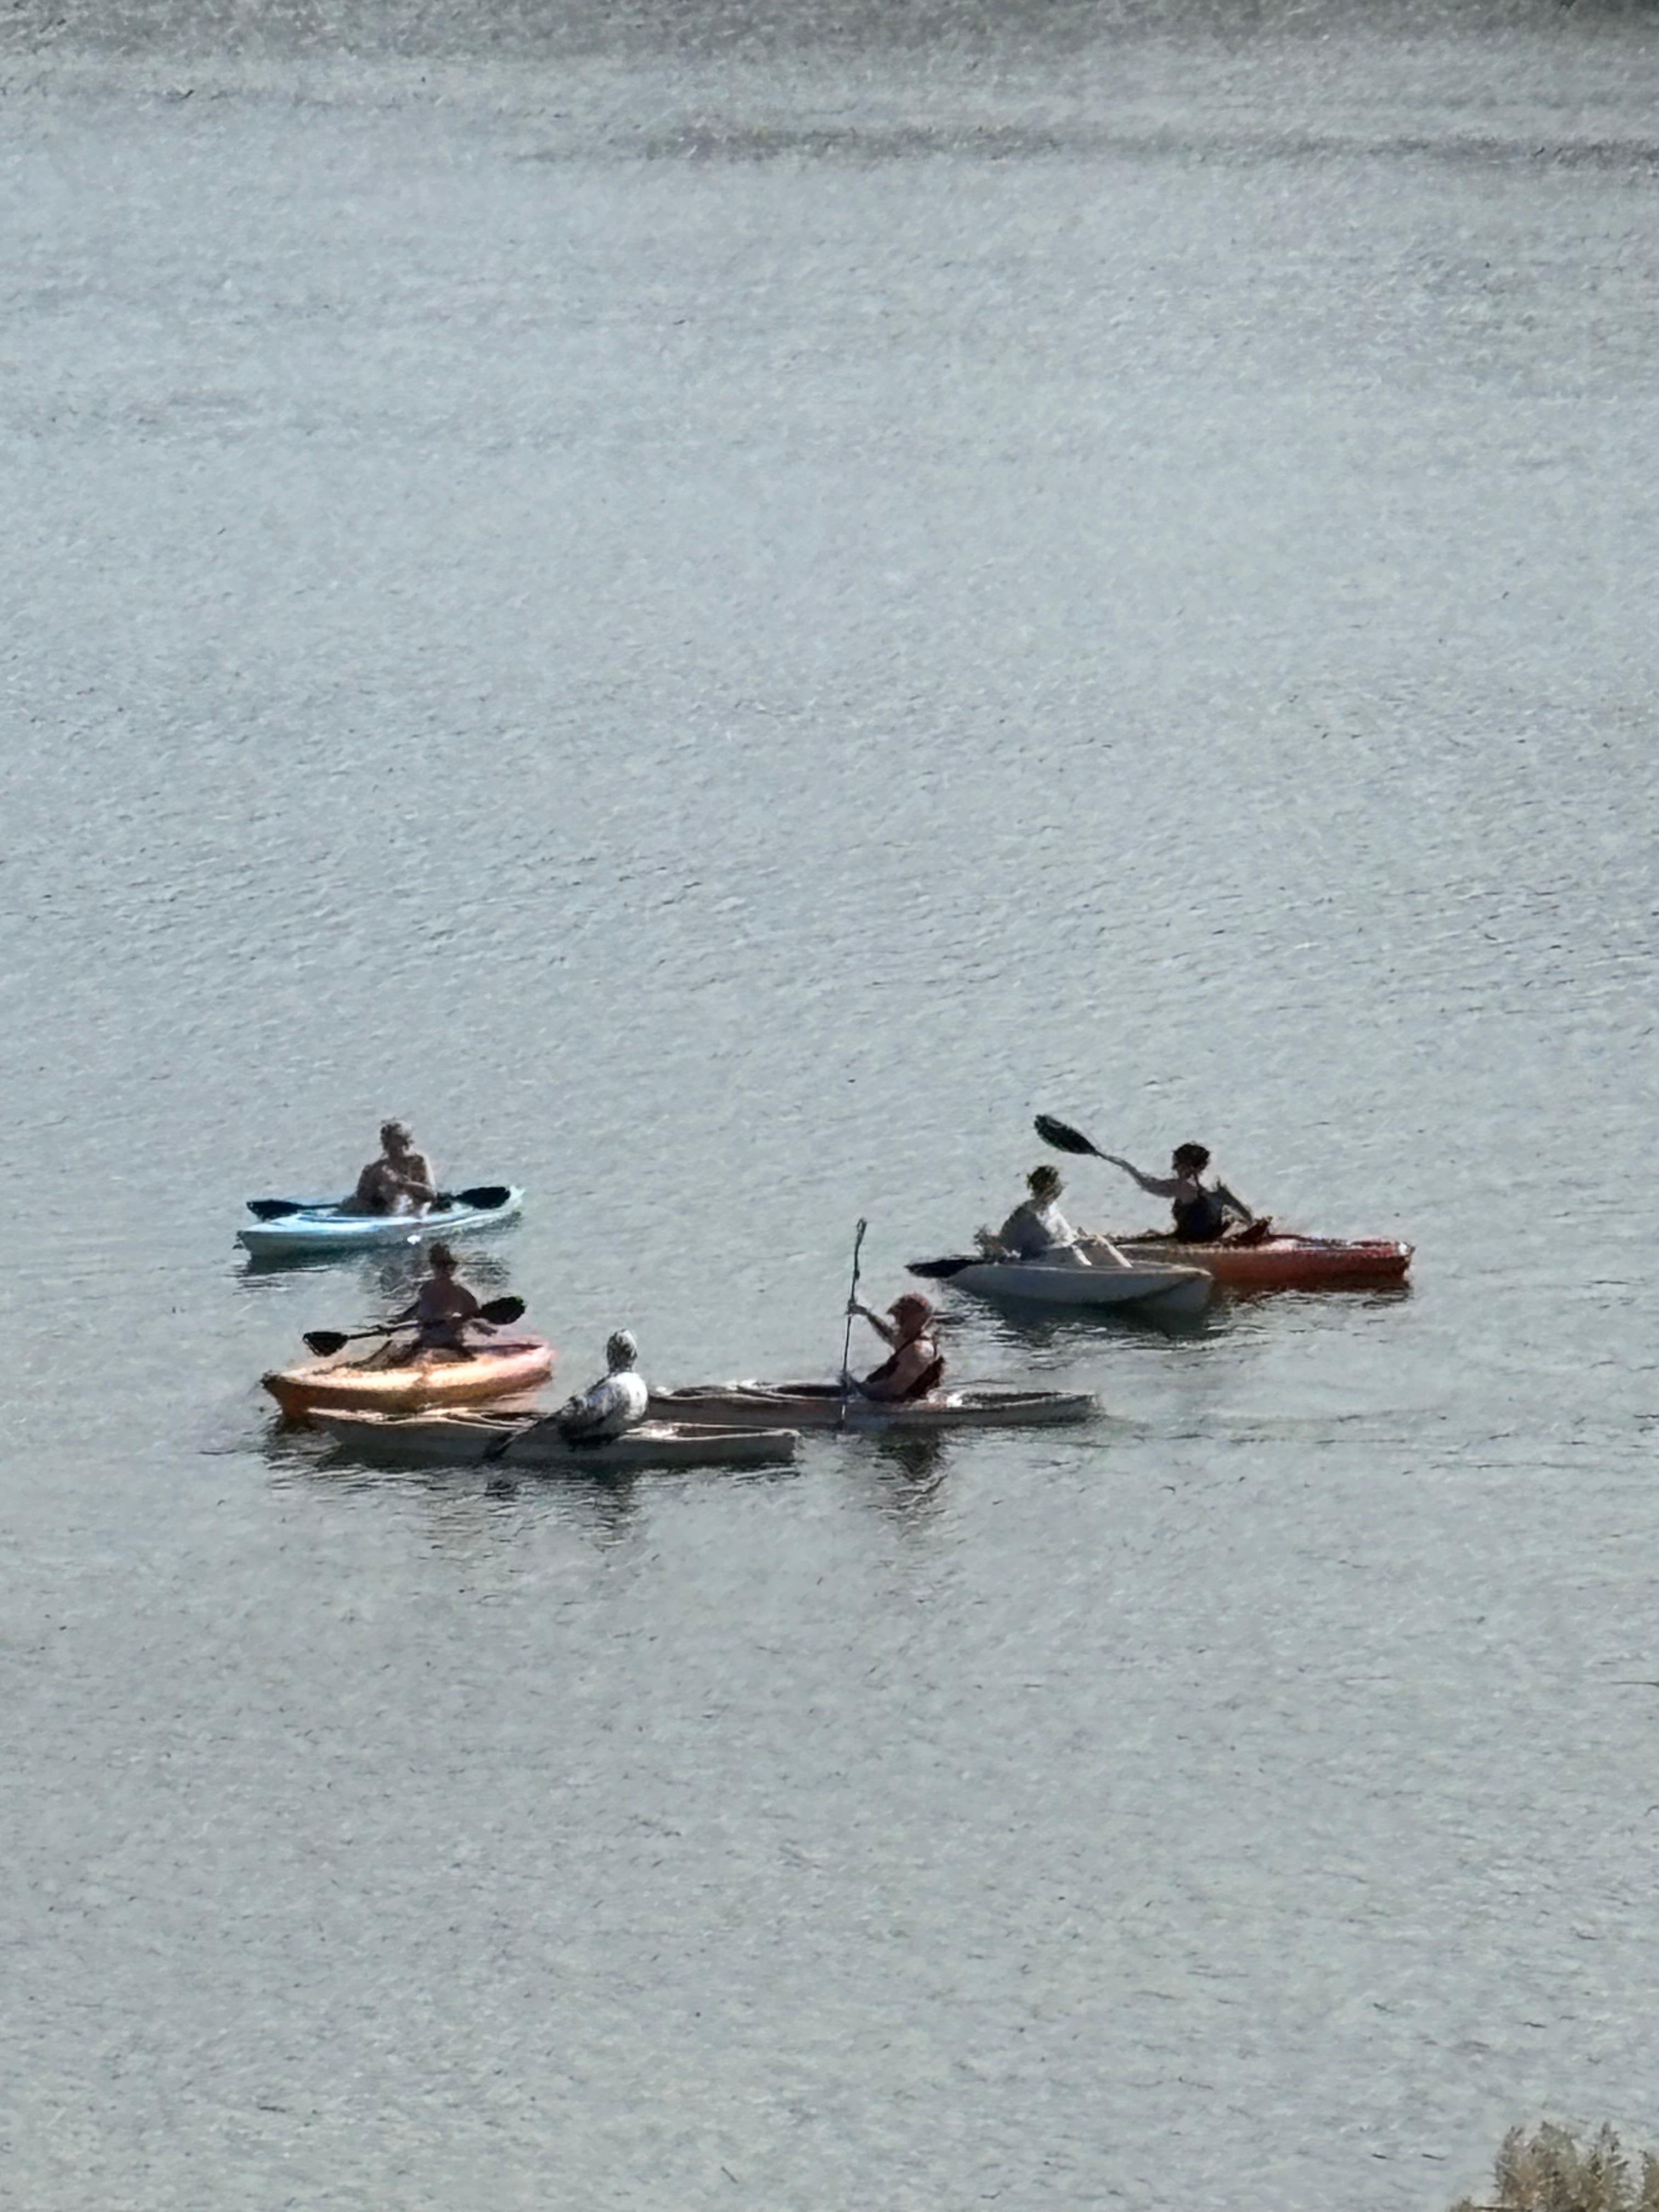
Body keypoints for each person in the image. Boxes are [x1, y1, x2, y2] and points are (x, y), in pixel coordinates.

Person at [1097, 1142, 1257, 1243]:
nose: (1174, 1169)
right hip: (1214, 1238)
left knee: (1121, 1242)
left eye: (1177, 1165)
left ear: (1186, 1166)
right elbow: (1246, 1215)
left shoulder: (1185, 1186)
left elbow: (1149, 1186)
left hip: (1192, 1243)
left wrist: (1127, 1167)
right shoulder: (1218, 1188)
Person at [390, 1242, 489, 1359]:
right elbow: (416, 1309)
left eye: (447, 1267)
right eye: (440, 1266)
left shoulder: (460, 1293)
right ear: (434, 1267)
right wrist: (396, 1322)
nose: (444, 1271)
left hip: (448, 1337)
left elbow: (474, 1315)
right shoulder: (426, 1288)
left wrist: (481, 1327)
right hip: (428, 1336)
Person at [844, 1291, 945, 1403]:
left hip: (901, 1411)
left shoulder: (918, 1352)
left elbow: (890, 1391)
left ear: (920, 1320)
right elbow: (888, 1334)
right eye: (897, 1315)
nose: (898, 1321)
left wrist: (856, 1388)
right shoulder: (910, 1338)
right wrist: (867, 1314)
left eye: (903, 1317)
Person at [556, 1330, 650, 1441]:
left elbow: (590, 1412)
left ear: (615, 1355)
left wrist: (568, 1411)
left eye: (611, 1352)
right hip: (624, 1431)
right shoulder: (639, 1383)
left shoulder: (615, 1386)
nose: (609, 1356)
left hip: (601, 1440)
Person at [341, 1121, 437, 1216]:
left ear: (408, 1144)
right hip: (384, 1208)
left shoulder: (420, 1161)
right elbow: (361, 1197)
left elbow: (431, 1193)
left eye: (396, 1149)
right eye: (388, 1148)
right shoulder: (378, 1168)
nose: (392, 1154)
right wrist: (374, 1183)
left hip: (417, 1206)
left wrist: (402, 1184)